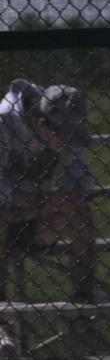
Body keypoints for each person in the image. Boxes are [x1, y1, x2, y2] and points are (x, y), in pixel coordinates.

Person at [0, 79, 98, 305]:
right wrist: (48, 201)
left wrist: (48, 201)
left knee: (81, 214)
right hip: (9, 215)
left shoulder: (62, 118)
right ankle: (1, 319)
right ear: (39, 121)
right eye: (61, 136)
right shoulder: (4, 121)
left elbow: (80, 179)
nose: (65, 143)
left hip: (38, 216)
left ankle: (83, 303)